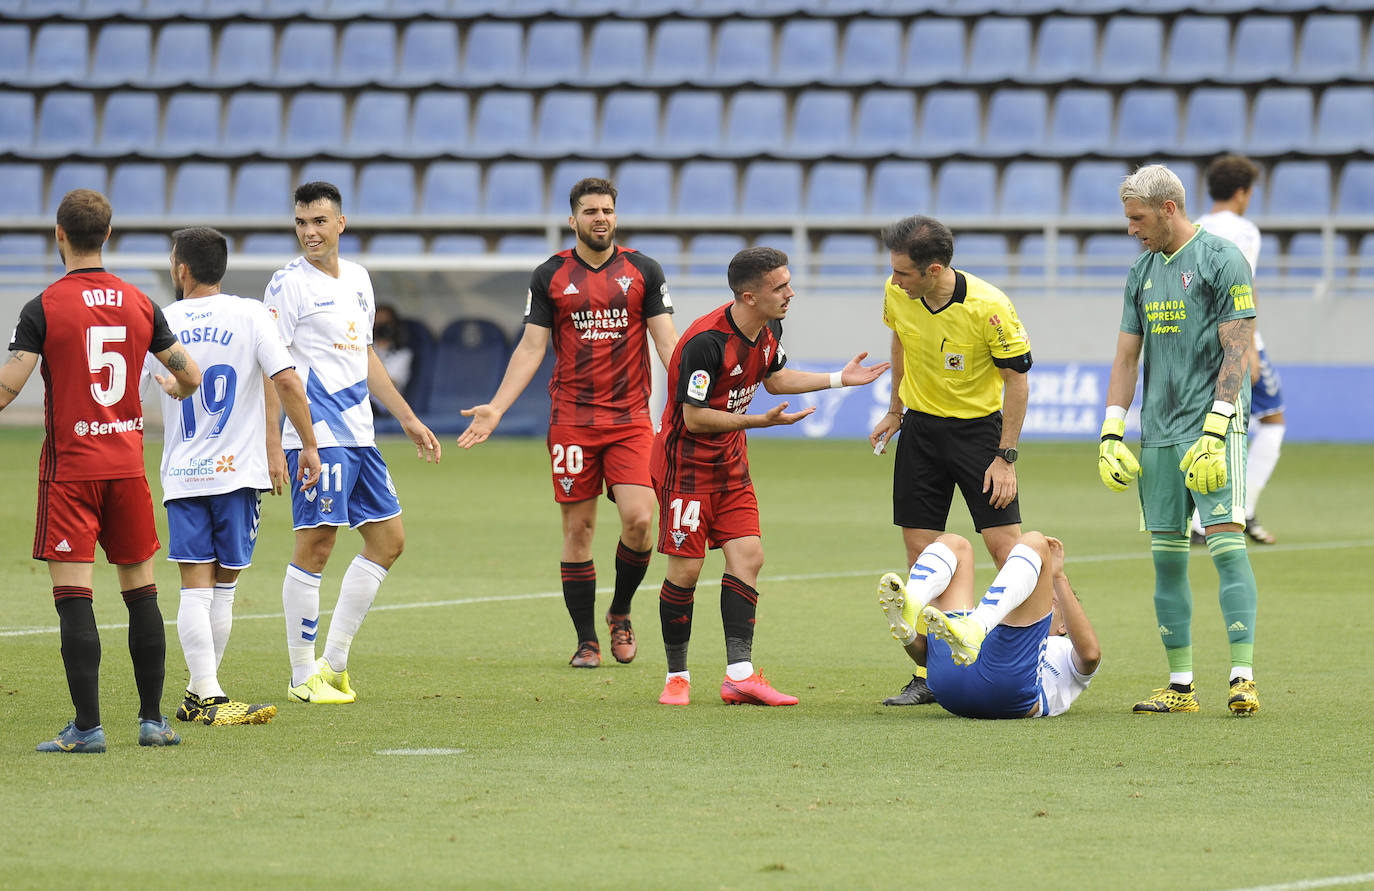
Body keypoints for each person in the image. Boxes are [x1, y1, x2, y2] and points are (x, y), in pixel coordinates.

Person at [0, 189, 202, 753]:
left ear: (58, 234)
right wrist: (176, 385)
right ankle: (153, 721)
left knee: (74, 596)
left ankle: (87, 728)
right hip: (125, 469)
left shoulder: (43, 307)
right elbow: (191, 374)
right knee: (141, 590)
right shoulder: (140, 302)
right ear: (107, 237)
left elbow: (9, 385)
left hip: (71, 473)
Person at [652, 247, 889, 707]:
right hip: (686, 468)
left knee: (749, 556)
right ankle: (676, 676)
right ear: (748, 295)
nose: (790, 292)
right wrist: (758, 423)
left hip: (731, 465)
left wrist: (840, 378)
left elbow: (775, 379)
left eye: (788, 282)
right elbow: (695, 418)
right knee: (686, 570)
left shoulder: (768, 329)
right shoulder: (705, 344)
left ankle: (739, 675)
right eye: (780, 286)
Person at [458, 177, 678, 668]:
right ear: (573, 219)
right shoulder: (549, 275)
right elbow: (532, 347)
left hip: (629, 419)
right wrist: (497, 406)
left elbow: (667, 342)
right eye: (591, 210)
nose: (601, 218)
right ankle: (586, 640)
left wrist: (687, 395)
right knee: (578, 529)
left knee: (641, 519)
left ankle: (619, 612)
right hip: (573, 421)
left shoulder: (644, 270)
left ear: (616, 216)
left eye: (608, 210)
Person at [264, 181, 442, 705]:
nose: (309, 232)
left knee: (389, 541)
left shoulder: (359, 280)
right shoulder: (286, 285)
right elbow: (271, 366)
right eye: (301, 223)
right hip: (316, 435)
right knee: (316, 547)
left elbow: (364, 357)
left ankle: (333, 663)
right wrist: (281, 442)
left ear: (340, 224)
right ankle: (301, 676)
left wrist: (406, 417)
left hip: (360, 434)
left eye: (319, 221)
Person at [1100, 163, 1262, 716]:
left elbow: (1239, 346)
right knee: (1167, 559)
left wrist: (1218, 426)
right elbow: (1127, 355)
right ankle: (1181, 685)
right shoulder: (1141, 271)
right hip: (1160, 437)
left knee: (1224, 541)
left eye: (1137, 218)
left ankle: (1242, 677)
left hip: (1213, 429)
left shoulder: (1221, 259)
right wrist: (1111, 430)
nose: (1131, 229)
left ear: (1169, 209)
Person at [146, 226, 322, 727]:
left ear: (181, 269)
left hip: (183, 475)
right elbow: (285, 379)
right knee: (219, 590)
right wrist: (304, 445)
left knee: (196, 589)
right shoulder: (250, 314)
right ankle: (210, 695)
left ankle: (198, 692)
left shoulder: (164, 321)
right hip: (236, 475)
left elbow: (148, 385)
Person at [867, 215, 1033, 707]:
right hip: (920, 430)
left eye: (903, 273)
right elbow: (898, 338)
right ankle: (929, 673)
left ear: (934, 269)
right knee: (921, 558)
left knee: (1008, 551)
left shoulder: (990, 306)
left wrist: (1005, 458)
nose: (894, 281)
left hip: (979, 435)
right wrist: (896, 409)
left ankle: (1035, 653)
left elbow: (1017, 381)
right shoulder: (898, 294)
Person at [875, 531, 1099, 719]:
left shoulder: (1065, 651)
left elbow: (1090, 655)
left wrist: (1058, 577)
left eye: (1047, 600)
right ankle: (912, 604)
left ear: (1063, 627)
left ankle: (973, 625)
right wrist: (908, 636)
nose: (1032, 596)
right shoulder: (977, 630)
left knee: (1035, 542)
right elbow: (928, 659)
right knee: (954, 543)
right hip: (950, 685)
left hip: (1008, 693)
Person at [1189, 154, 1284, 545]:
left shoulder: (1193, 228)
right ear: (1242, 193)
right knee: (1271, 421)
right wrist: (1247, 349)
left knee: (1211, 423)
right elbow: (1242, 286)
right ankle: (1232, 513)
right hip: (1237, 338)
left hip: (1198, 341)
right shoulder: (1244, 230)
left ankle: (1199, 518)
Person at [369, 303, 413, 418]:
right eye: (377, 323)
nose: (381, 327)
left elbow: (387, 384)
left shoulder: (402, 355)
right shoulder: (364, 350)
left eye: (385, 323)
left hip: (382, 406)